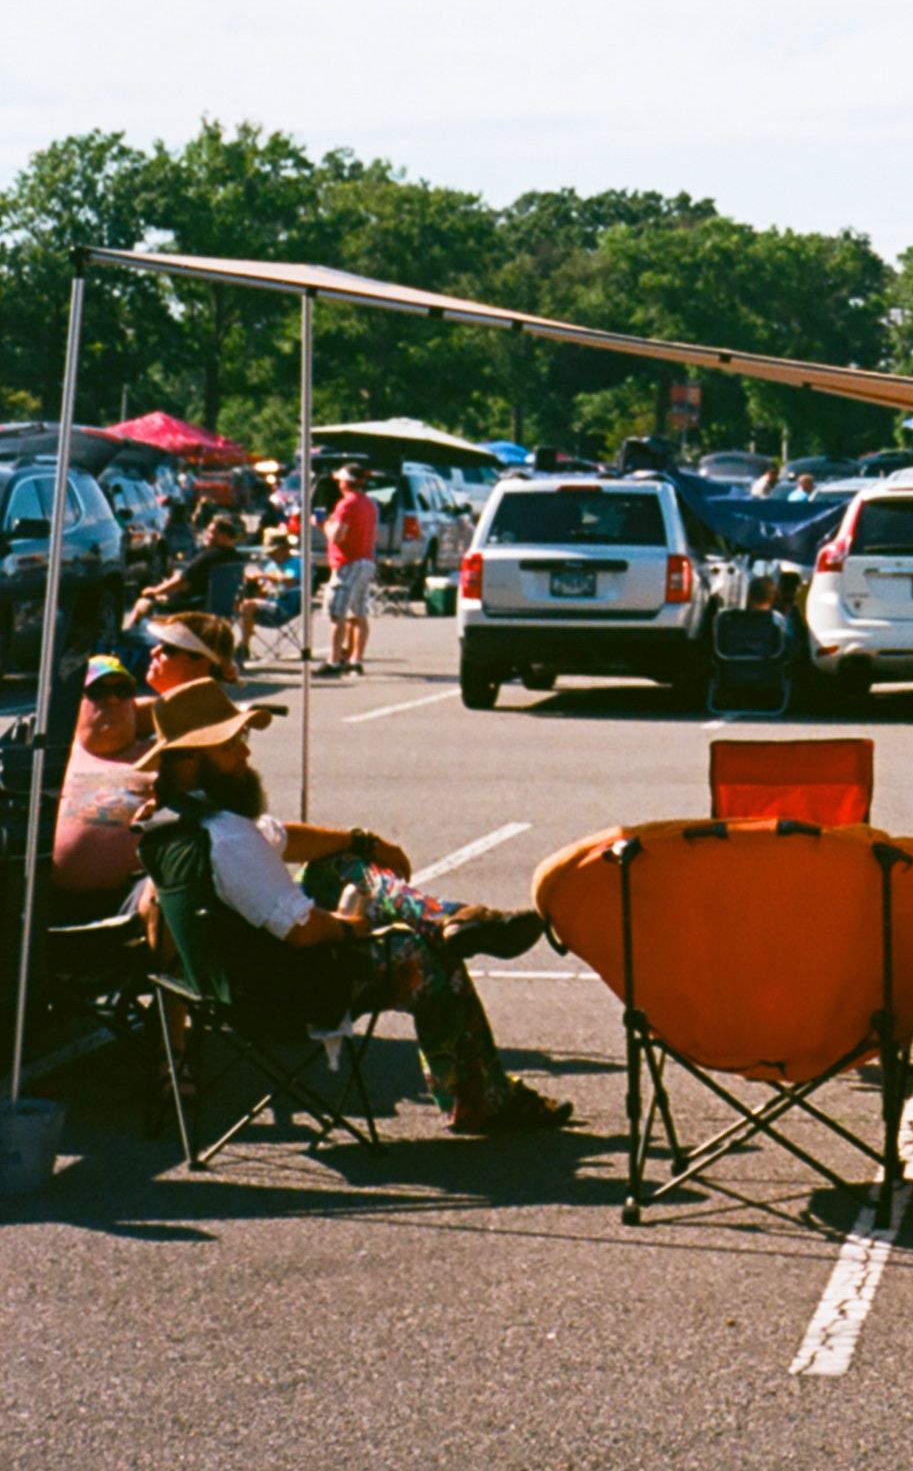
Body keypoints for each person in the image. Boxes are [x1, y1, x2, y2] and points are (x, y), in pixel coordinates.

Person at [133, 675, 564, 1134]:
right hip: (285, 992)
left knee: (339, 865)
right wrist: (354, 928)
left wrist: (363, 842)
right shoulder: (226, 836)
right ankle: (481, 1099)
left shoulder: (173, 822)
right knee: (432, 963)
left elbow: (280, 838)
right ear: (190, 762)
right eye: (230, 745)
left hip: (229, 983)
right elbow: (301, 930)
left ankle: (447, 917)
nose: (245, 753)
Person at [53, 656, 153, 900]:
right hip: (39, 897)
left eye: (123, 690)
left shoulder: (156, 756)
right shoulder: (54, 754)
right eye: (97, 691)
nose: (112, 699)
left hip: (132, 898)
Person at [134, 513, 250, 633]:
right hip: (223, 609)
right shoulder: (238, 559)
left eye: (212, 533)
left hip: (193, 605)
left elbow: (181, 581)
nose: (207, 536)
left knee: (144, 602)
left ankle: (128, 642)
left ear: (224, 536)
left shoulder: (209, 557)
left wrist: (155, 590)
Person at [323, 467, 379, 680]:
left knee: (338, 613)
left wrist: (323, 524)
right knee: (359, 613)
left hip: (347, 562)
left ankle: (334, 660)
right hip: (365, 560)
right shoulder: (369, 504)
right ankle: (356, 659)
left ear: (347, 481)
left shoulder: (346, 504)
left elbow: (337, 536)